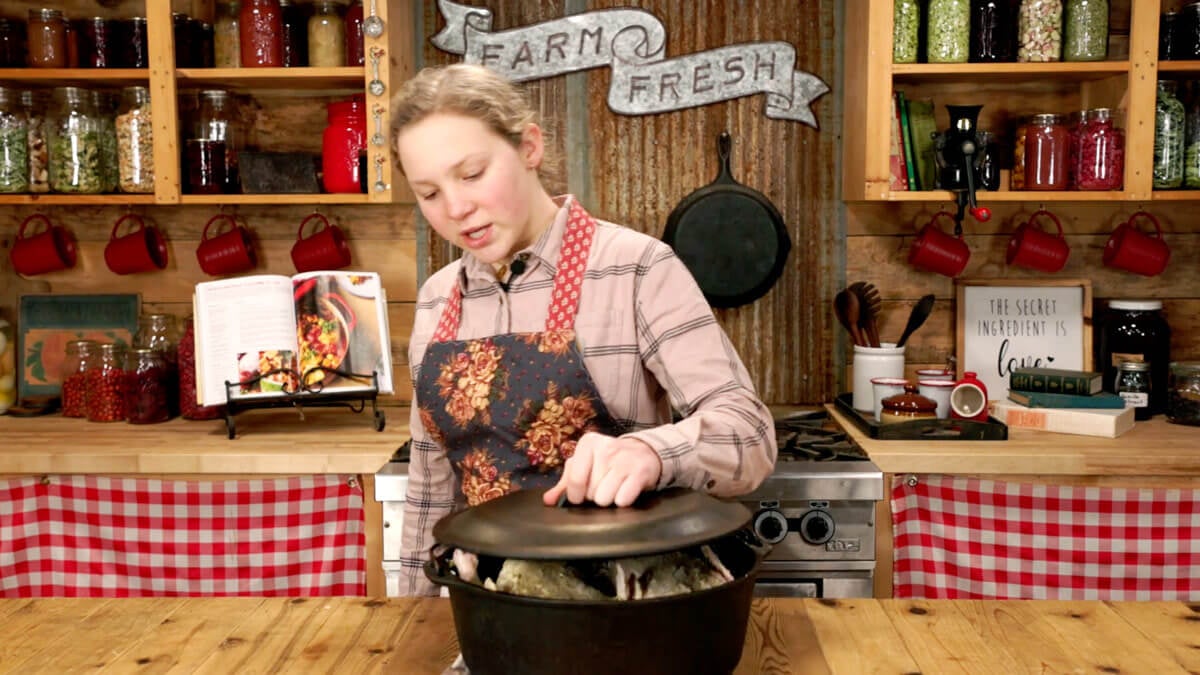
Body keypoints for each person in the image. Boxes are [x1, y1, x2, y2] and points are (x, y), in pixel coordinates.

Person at [391, 63, 777, 596]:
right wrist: (414, 618)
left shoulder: (637, 269)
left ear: (529, 147)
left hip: (622, 605)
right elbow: (431, 489)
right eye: (429, 193)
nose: (456, 209)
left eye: (473, 173)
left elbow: (750, 436)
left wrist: (652, 453)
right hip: (489, 608)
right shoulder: (438, 300)